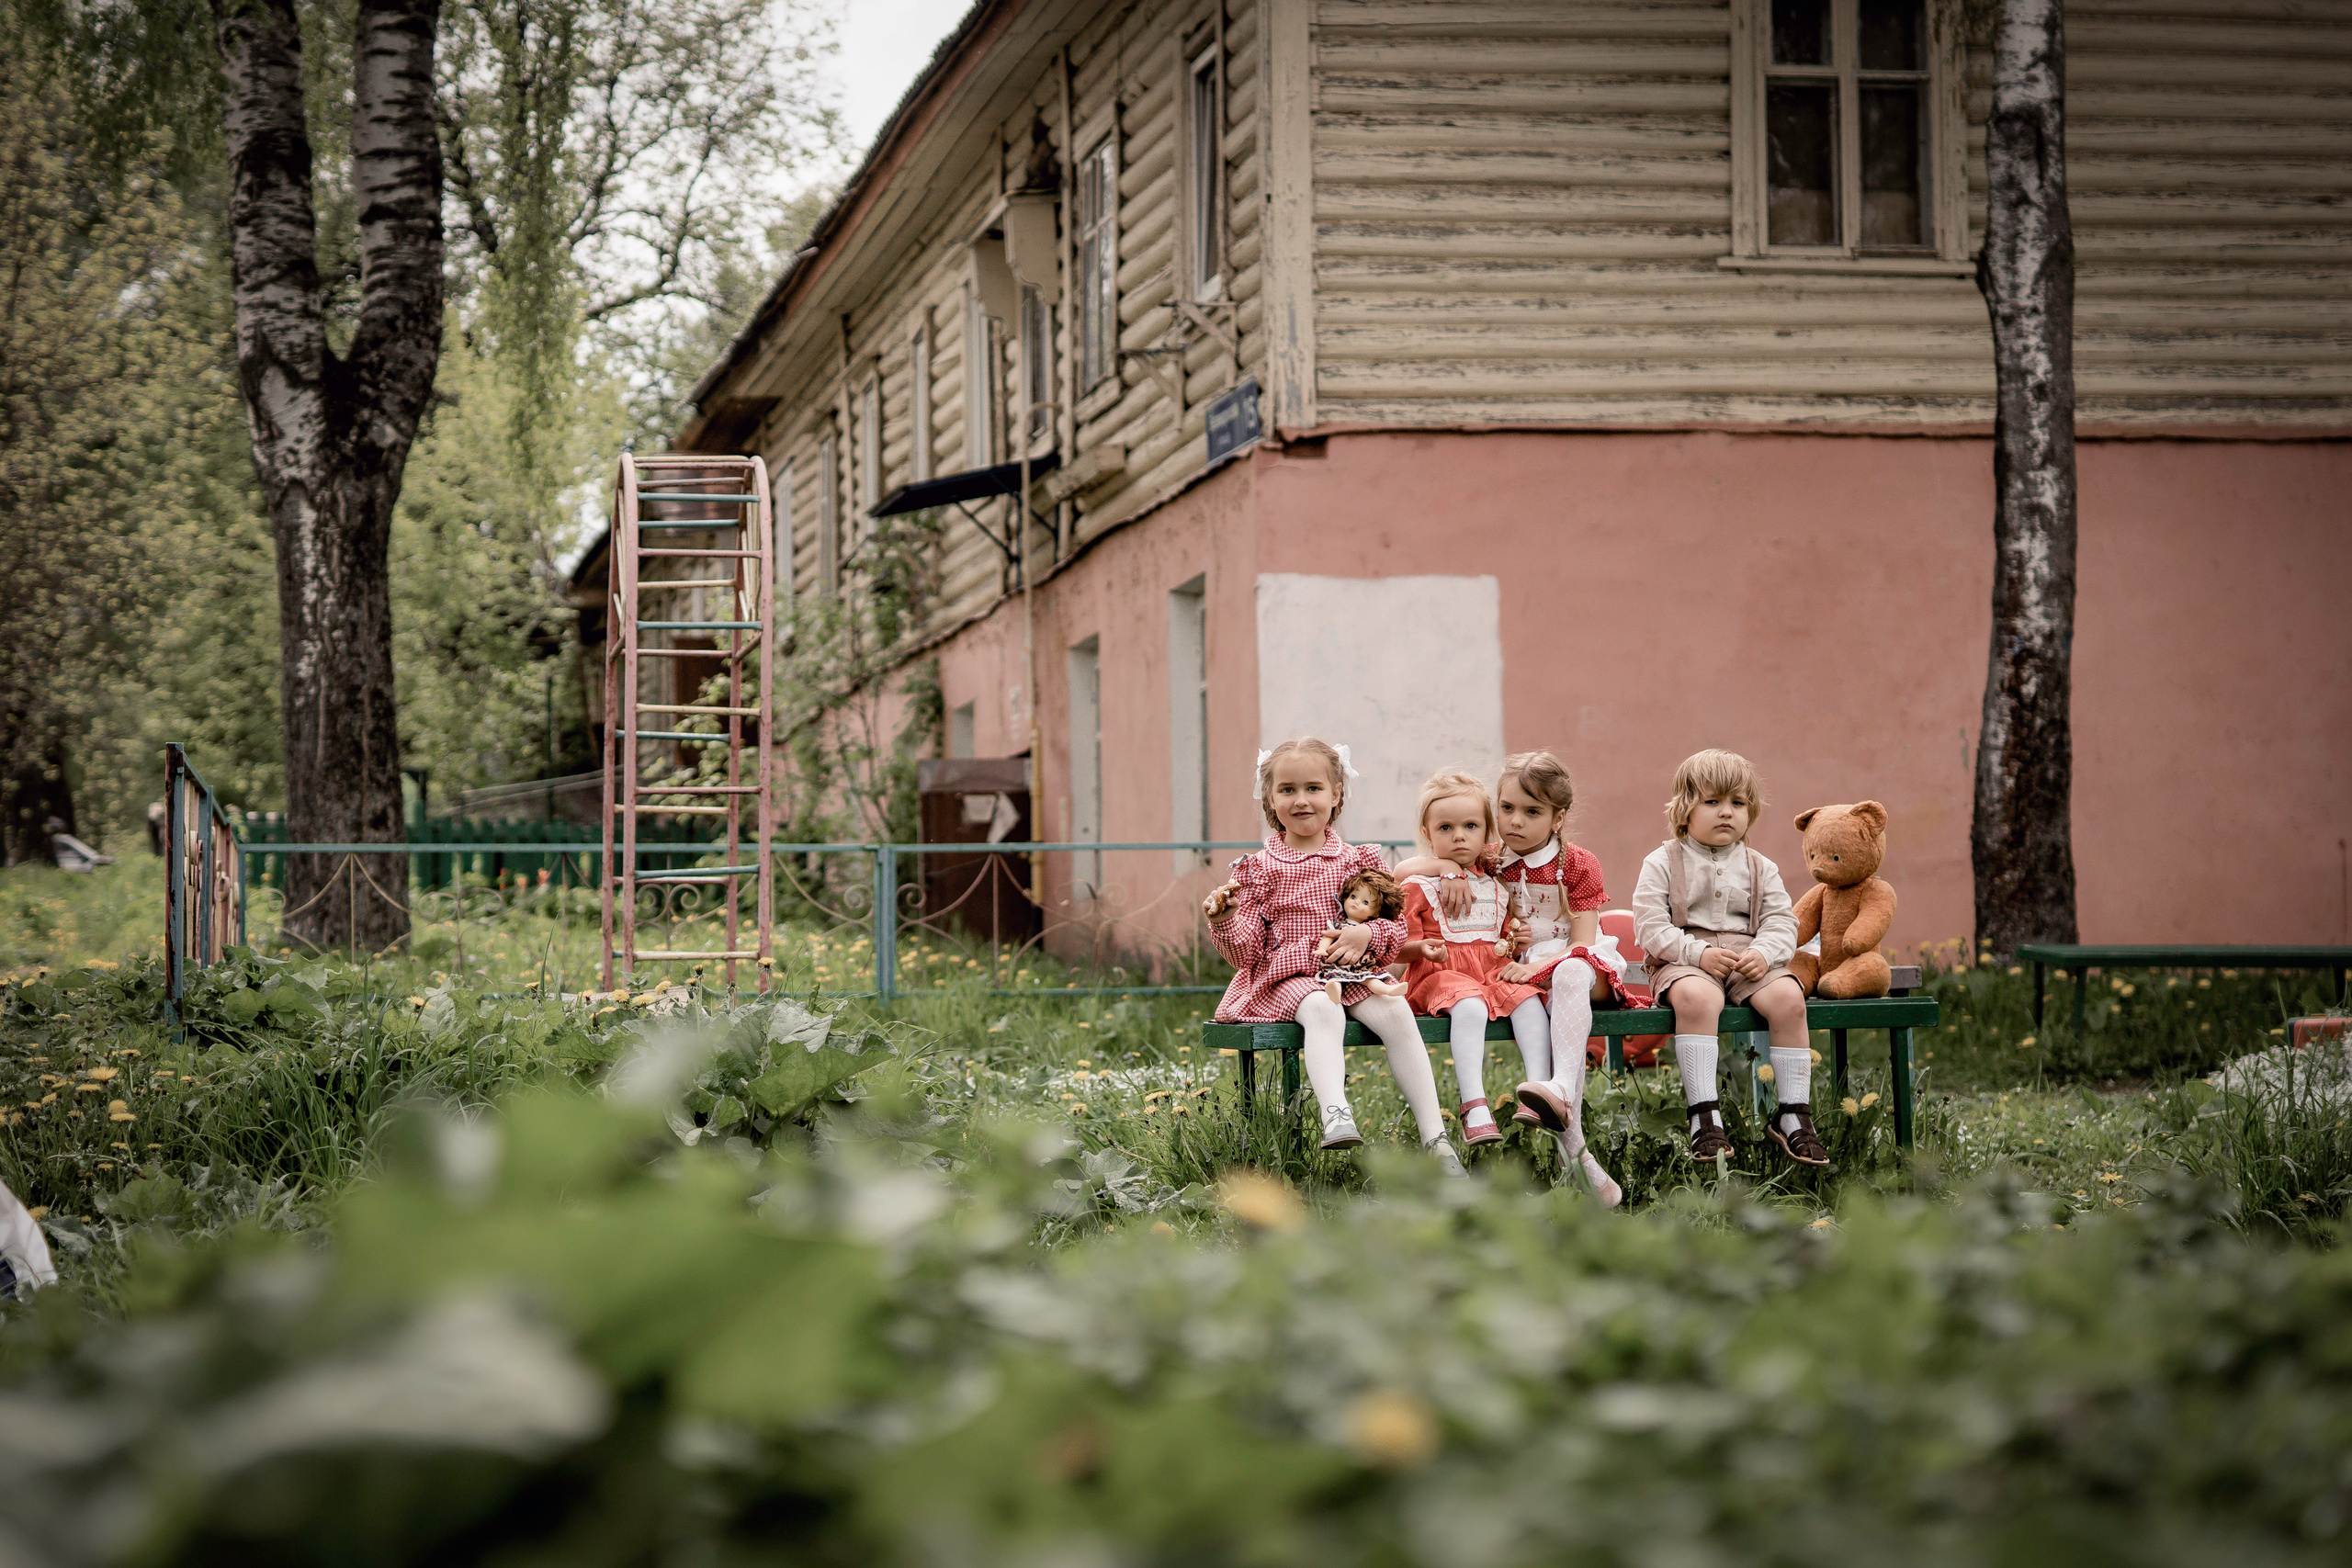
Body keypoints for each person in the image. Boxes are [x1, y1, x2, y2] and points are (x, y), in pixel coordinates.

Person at [1204, 738, 1461, 1172]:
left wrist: (1366, 933)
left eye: (1313, 788)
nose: (1301, 800)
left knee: (1396, 1012)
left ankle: (1437, 1140)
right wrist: (1226, 918)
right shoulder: (1260, 868)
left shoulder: (1357, 861)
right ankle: (1335, 1115)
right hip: (1287, 978)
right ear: (1270, 798)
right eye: (1287, 790)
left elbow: (1396, 928)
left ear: (1337, 793)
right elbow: (1245, 953)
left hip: (1351, 973)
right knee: (1325, 1008)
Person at [1632, 749, 1826, 1166]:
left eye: (1737, 803)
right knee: (1701, 1000)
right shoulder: (1662, 861)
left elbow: (1781, 922)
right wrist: (1696, 953)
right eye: (1713, 802)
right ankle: (1705, 1116)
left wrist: (1764, 952)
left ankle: (1793, 1114)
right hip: (1683, 958)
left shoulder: (1760, 866)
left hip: (1748, 958)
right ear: (1685, 810)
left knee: (1790, 1002)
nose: (1727, 813)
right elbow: (1649, 925)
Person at [1393, 769, 1547, 1154]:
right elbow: (1397, 947)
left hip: (1490, 974)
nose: (1458, 835)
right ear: (1428, 835)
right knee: (1471, 1003)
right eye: (1445, 827)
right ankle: (1474, 1104)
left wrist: (1516, 940)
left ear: (1486, 834)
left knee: (1528, 998)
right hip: (1441, 976)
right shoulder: (1420, 886)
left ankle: (1540, 1091)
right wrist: (1423, 948)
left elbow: (1499, 944)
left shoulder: (1495, 886)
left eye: (1470, 826)